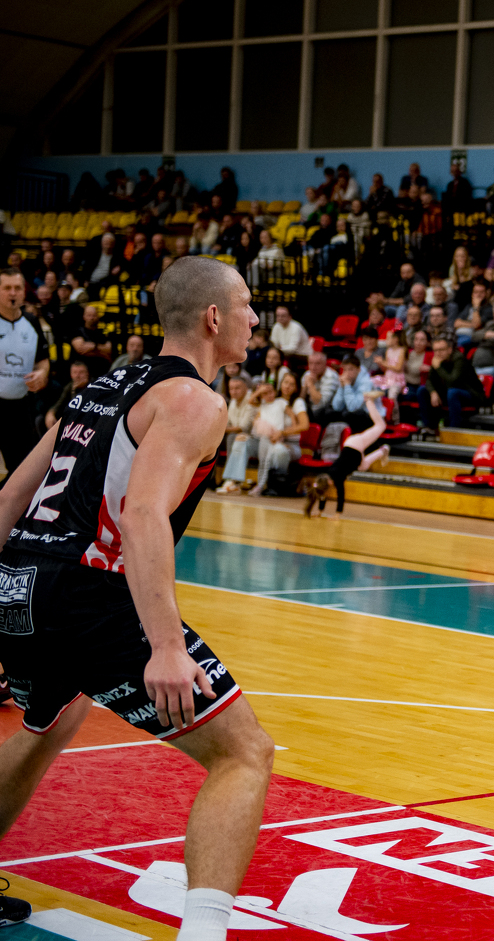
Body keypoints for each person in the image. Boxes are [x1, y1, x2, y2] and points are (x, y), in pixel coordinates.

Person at [0, 256, 275, 939]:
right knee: (243, 753)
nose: (255, 318)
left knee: (49, 719)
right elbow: (143, 514)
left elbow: (11, 497)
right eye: (246, 305)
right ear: (213, 318)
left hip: (19, 586)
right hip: (88, 596)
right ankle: (204, 933)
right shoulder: (195, 400)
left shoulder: (98, 388)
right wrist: (166, 646)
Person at [303, 399, 391, 520]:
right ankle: (383, 450)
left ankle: (369, 401)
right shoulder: (326, 477)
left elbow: (341, 494)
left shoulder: (337, 478)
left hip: (355, 445)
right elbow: (323, 495)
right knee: (363, 466)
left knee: (381, 426)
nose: (330, 490)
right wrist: (320, 511)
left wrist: (337, 514)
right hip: (352, 448)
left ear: (329, 483)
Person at [0, 271, 48, 484]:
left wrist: (42, 373)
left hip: (22, 406)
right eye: (7, 288)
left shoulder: (32, 322)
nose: (13, 293)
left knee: (22, 470)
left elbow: (43, 360)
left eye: (17, 288)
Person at [425, 336, 485, 429]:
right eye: (435, 350)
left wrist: (438, 368)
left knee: (452, 392)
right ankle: (429, 427)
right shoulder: (438, 359)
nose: (438, 353)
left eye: (441, 350)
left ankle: (454, 429)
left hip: (471, 394)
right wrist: (433, 392)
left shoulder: (459, 359)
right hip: (450, 392)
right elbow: (429, 381)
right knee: (422, 391)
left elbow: (453, 382)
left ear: (449, 350)